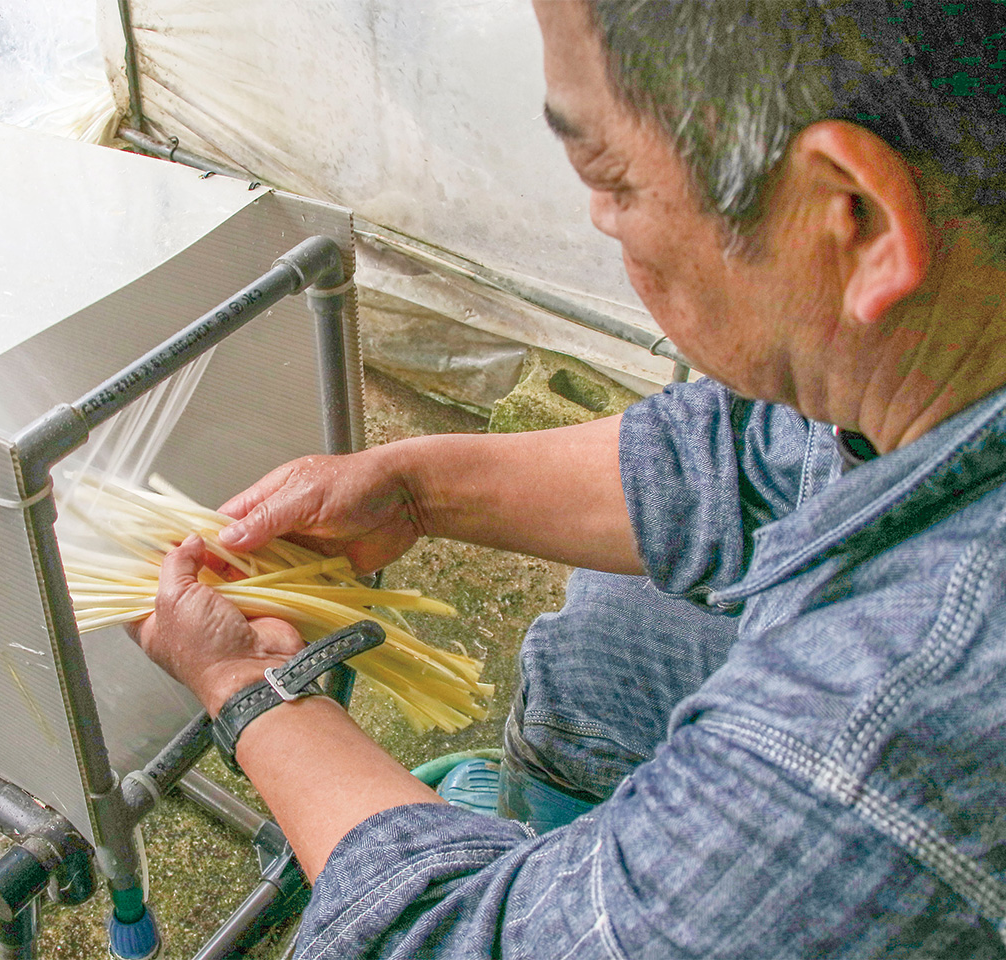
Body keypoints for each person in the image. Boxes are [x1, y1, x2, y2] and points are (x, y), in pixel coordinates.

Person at [134, 1, 1006, 956]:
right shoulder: (947, 331)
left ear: (854, 215)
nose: (601, 226)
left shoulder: (876, 728)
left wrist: (246, 684)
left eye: (612, 180)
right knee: (605, 637)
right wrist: (418, 487)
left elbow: (450, 943)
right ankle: (557, 846)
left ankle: (590, 895)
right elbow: (763, 447)